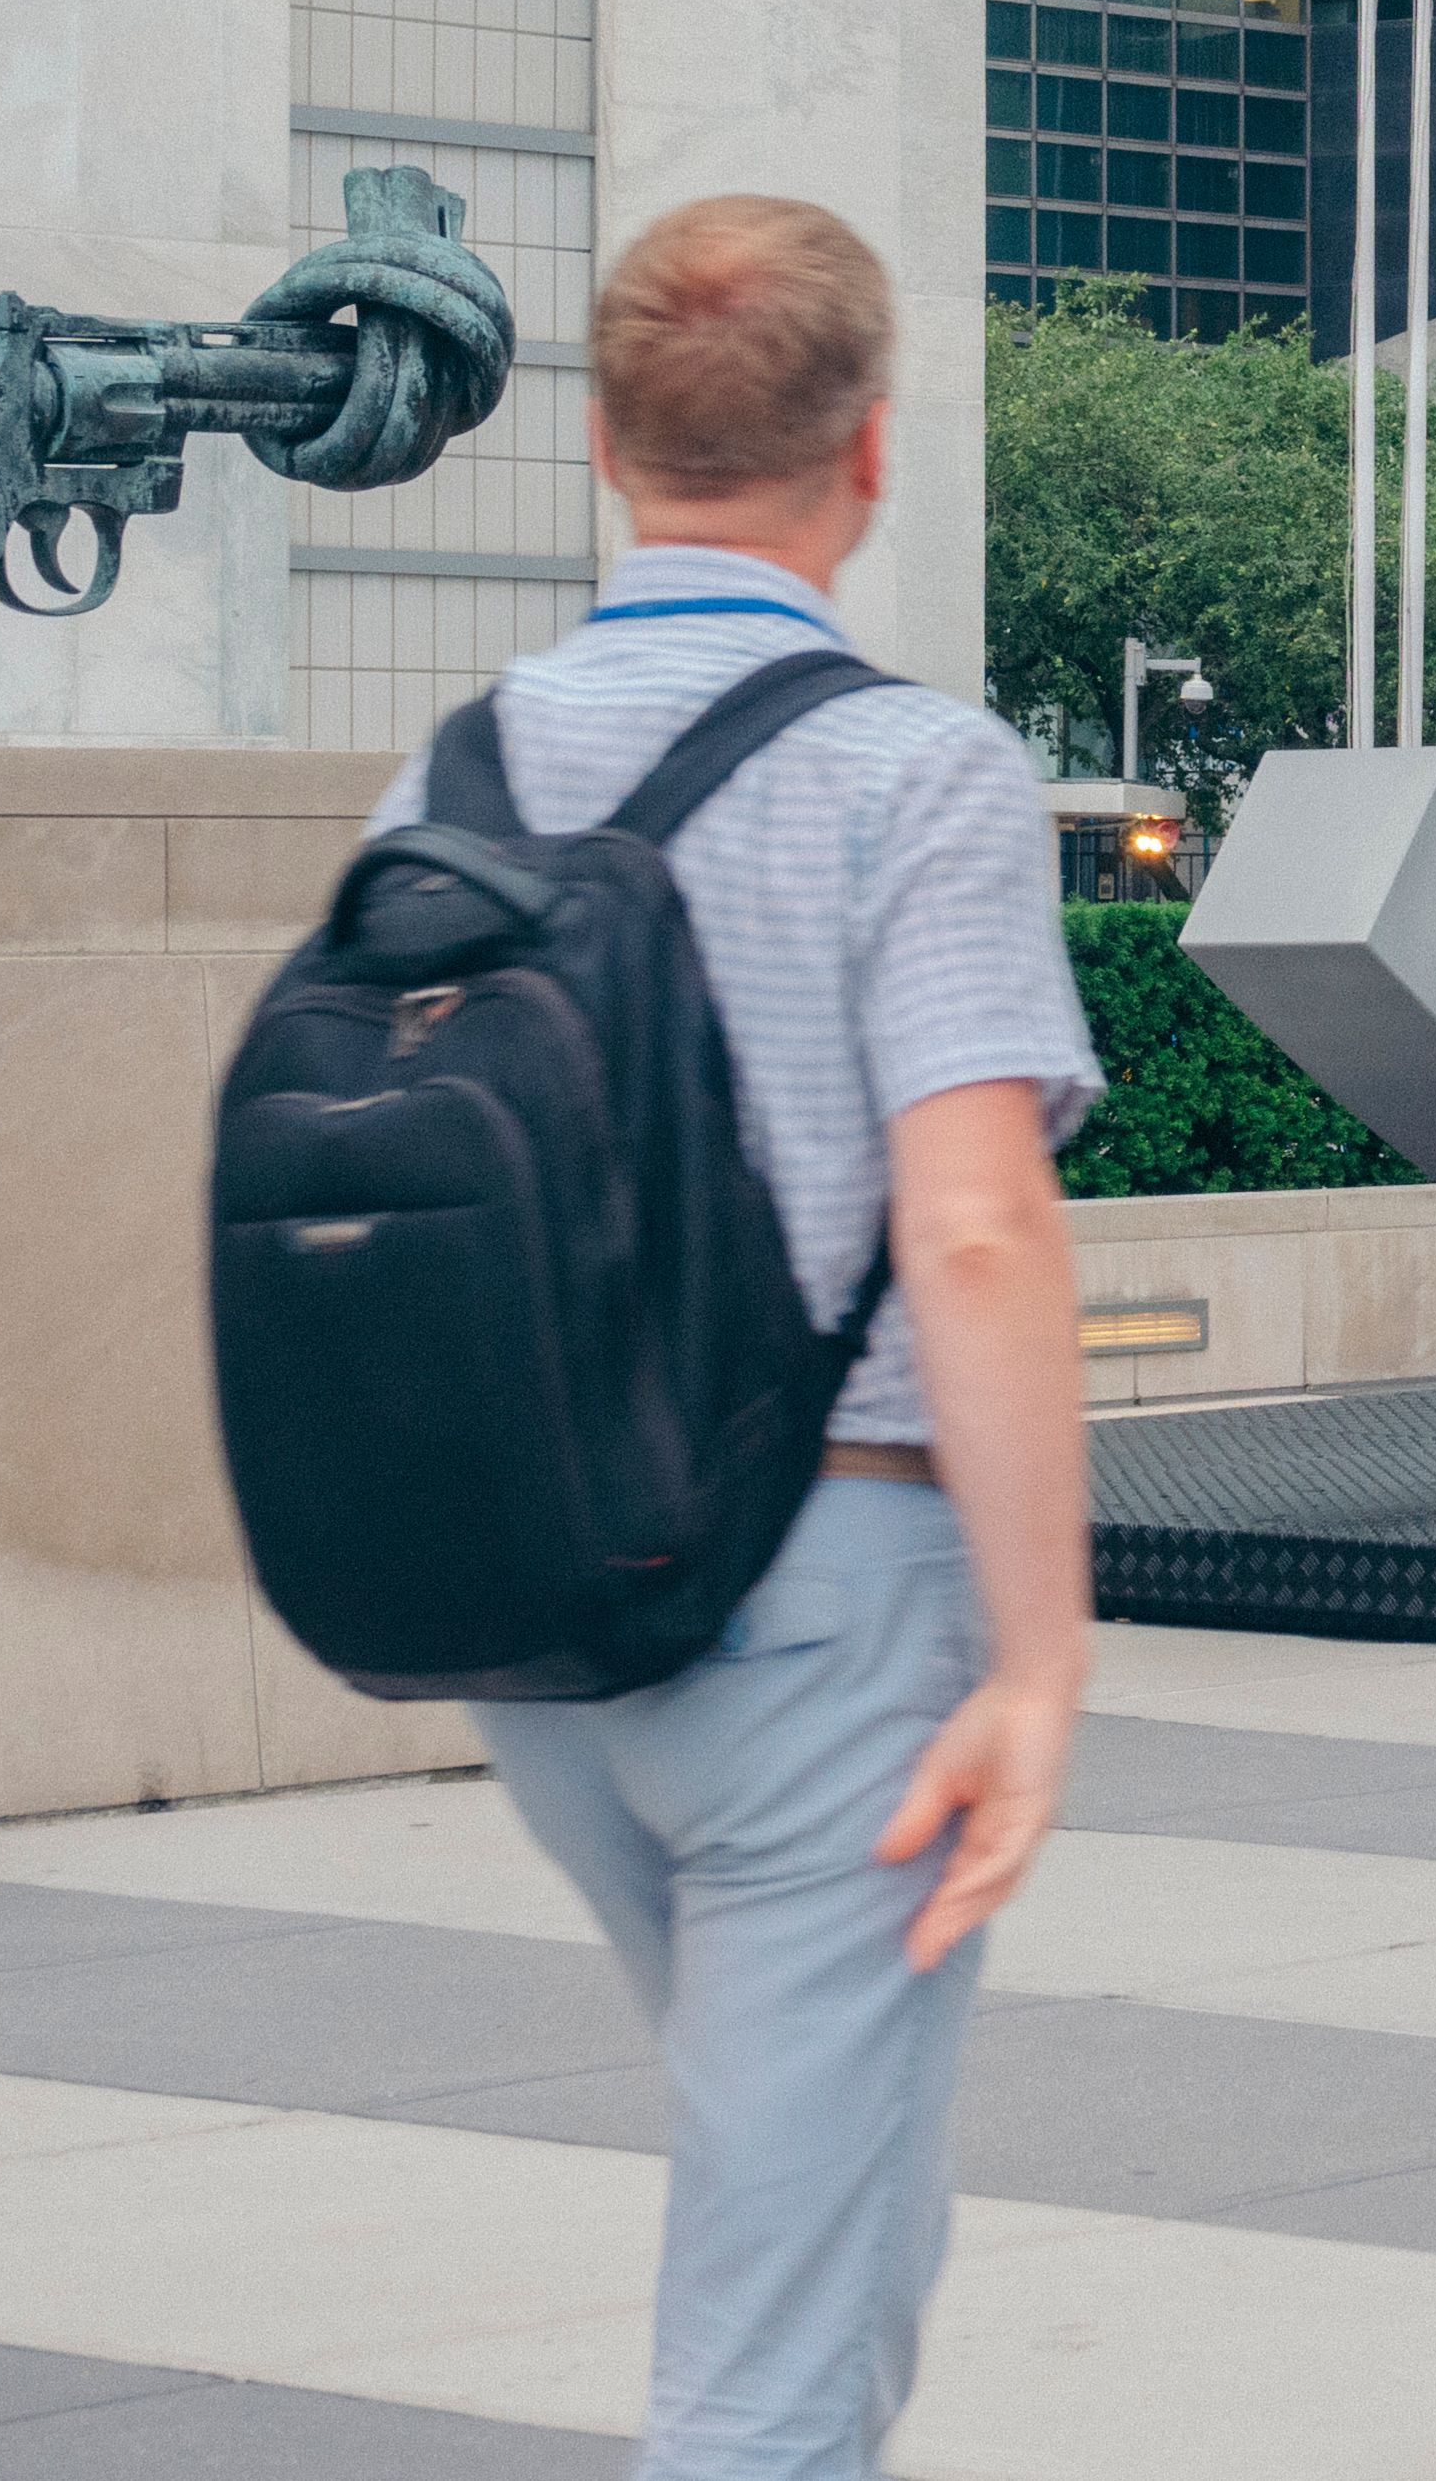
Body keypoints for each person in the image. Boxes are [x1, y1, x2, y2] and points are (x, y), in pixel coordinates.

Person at [385, 197, 1092, 2478]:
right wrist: (1042, 1655)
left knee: (829, 2200)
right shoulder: (919, 773)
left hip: (536, 1615)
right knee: (769, 2346)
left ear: (602, 443)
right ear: (868, 453)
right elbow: (972, 1225)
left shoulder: (458, 773)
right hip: (829, 1605)